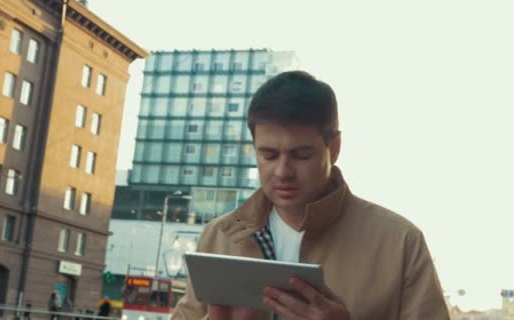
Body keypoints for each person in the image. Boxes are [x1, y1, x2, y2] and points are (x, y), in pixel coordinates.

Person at [172, 70, 449, 320]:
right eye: (268, 155)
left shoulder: (400, 243)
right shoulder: (219, 236)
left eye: (301, 155)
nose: (282, 171)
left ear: (335, 148)